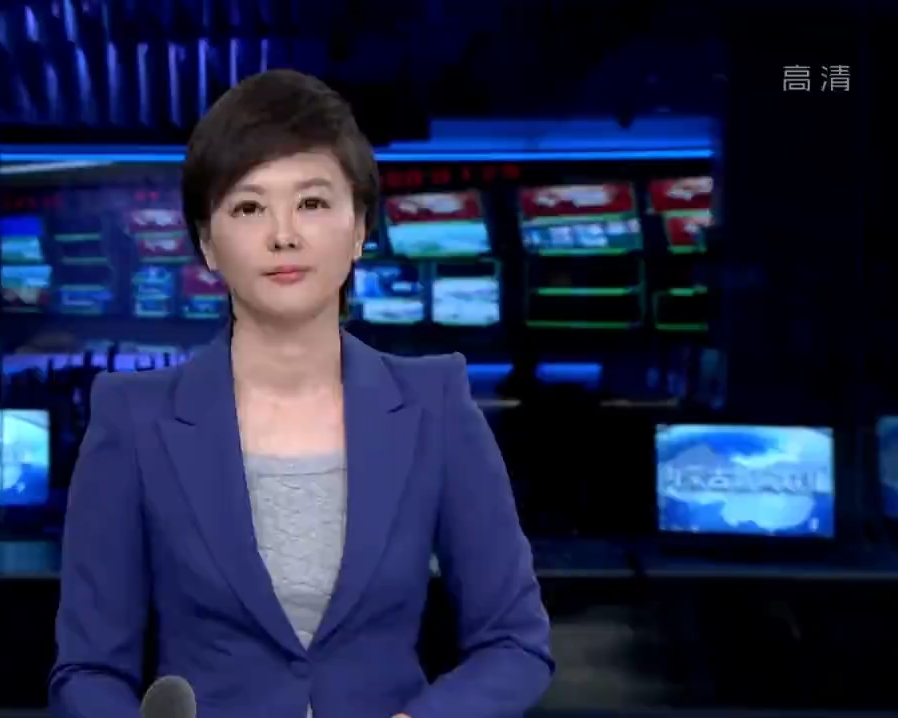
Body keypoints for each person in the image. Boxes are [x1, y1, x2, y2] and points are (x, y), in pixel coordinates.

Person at [50, 69, 553, 718]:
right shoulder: (133, 419)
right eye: (249, 207)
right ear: (207, 243)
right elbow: (87, 671)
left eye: (312, 203)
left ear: (359, 227)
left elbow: (515, 643)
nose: (283, 234)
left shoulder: (435, 405)